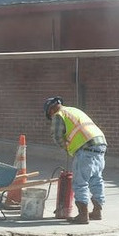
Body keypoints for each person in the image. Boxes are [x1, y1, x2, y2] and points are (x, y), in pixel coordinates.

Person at [44, 96, 107, 224]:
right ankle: (97, 211)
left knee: (80, 182)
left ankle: (83, 215)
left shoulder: (59, 115)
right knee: (96, 178)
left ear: (50, 110)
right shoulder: (74, 110)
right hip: (100, 145)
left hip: (85, 148)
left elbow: (57, 136)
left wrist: (66, 148)